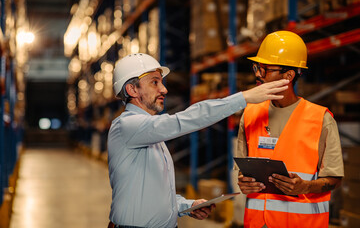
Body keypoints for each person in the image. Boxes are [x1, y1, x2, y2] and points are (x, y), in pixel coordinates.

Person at [107, 52, 290, 228]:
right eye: (155, 82)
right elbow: (185, 120)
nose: (164, 89)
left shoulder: (149, 133)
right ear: (132, 89)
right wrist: (244, 98)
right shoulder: (127, 126)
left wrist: (187, 206)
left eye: (161, 82)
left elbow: (152, 192)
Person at [236, 31, 344, 228]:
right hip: (257, 224)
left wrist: (306, 186)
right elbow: (241, 172)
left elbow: (334, 179)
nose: (258, 75)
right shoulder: (250, 114)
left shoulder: (321, 119)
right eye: (256, 68)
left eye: (265, 69)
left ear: (288, 75)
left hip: (302, 223)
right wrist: (244, 182)